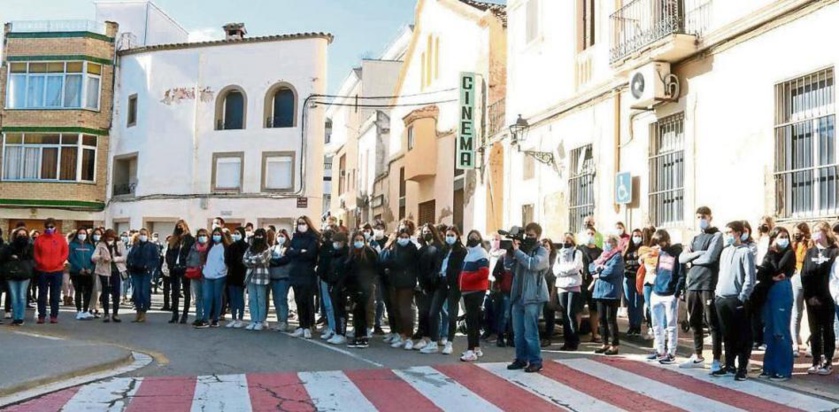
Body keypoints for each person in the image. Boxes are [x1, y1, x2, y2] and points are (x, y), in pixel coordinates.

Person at [678, 206, 724, 371]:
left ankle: (717, 359)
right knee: (694, 320)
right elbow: (682, 258)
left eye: (704, 216)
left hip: (708, 283)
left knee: (712, 321)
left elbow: (710, 257)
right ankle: (697, 355)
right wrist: (698, 254)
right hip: (693, 284)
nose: (701, 219)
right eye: (698, 217)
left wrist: (693, 258)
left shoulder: (717, 235)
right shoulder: (695, 238)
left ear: (710, 217)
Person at [714, 221, 756, 381]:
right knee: (727, 334)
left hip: (736, 299)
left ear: (738, 233)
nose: (727, 236)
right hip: (722, 298)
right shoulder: (725, 251)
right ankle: (729, 364)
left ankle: (742, 367)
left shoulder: (746, 252)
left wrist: (742, 297)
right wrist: (717, 293)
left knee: (742, 335)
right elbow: (721, 273)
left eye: (729, 232)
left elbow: (750, 277)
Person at [507, 222, 550, 373]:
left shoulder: (542, 251)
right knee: (518, 332)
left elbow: (533, 265)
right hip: (518, 296)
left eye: (531, 235)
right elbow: (508, 267)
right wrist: (510, 252)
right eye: (526, 235)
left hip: (533, 296)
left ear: (538, 236)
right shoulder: (522, 250)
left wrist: (518, 252)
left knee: (530, 331)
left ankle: (535, 361)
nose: (528, 238)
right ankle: (520, 359)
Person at [757, 227, 795, 381]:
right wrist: (771, 277)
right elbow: (762, 272)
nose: (784, 239)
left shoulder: (789, 253)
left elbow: (779, 268)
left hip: (782, 291)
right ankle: (769, 367)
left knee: (780, 331)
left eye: (786, 236)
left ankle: (783, 369)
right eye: (781, 236)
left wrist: (771, 269)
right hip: (769, 291)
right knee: (770, 331)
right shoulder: (769, 252)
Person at [422, 226, 466, 355]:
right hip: (441, 283)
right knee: (433, 312)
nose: (449, 238)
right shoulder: (443, 250)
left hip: (453, 286)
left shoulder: (462, 252)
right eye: (448, 235)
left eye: (452, 235)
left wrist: (455, 280)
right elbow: (437, 265)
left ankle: (449, 342)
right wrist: (435, 276)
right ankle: (434, 342)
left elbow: (461, 270)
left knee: (452, 315)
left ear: (457, 236)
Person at [800, 221, 837, 376]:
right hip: (811, 299)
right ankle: (816, 361)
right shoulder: (810, 252)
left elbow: (831, 276)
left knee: (827, 329)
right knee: (814, 330)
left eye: (819, 231)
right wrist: (810, 296)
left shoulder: (834, 252)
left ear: (826, 232)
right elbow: (805, 274)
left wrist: (824, 296)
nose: (816, 234)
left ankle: (828, 360)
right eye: (814, 231)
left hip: (827, 298)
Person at [648, 229, 685, 364]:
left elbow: (681, 275)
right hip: (657, 292)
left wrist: (676, 293)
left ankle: (671, 352)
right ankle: (659, 350)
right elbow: (659, 270)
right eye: (657, 243)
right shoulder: (661, 253)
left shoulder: (677, 253)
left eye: (660, 242)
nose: (659, 245)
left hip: (670, 294)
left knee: (671, 325)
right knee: (656, 324)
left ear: (667, 240)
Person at [381, 229, 420, 350]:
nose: (403, 239)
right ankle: (401, 335)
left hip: (407, 284)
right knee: (395, 309)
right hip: (394, 282)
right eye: (401, 236)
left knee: (405, 311)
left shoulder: (412, 249)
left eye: (406, 236)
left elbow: (400, 263)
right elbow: (385, 261)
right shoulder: (395, 248)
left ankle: (409, 337)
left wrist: (391, 265)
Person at [591, 235, 625, 356]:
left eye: (608, 242)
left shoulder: (617, 257)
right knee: (601, 319)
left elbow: (612, 271)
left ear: (615, 244)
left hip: (611, 292)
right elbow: (591, 266)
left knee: (611, 319)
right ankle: (604, 343)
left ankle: (614, 345)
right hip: (600, 292)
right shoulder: (603, 256)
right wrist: (598, 269)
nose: (606, 244)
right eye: (605, 242)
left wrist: (599, 273)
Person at [459, 230, 490, 362]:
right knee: (474, 320)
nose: (473, 238)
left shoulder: (481, 253)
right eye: (470, 236)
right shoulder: (469, 253)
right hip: (467, 290)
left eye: (475, 237)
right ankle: (476, 347)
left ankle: (471, 350)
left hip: (475, 291)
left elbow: (483, 273)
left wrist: (467, 279)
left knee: (471, 321)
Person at [288, 216, 321, 339]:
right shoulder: (295, 237)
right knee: (298, 300)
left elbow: (310, 254)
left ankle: (308, 326)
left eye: (303, 223)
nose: (301, 225)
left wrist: (297, 252)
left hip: (307, 273)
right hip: (296, 273)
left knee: (306, 300)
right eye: (299, 223)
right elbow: (289, 252)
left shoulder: (313, 238)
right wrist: (299, 251)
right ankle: (301, 325)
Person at [346, 232, 379, 348]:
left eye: (361, 239)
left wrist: (370, 282)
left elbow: (375, 268)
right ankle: (358, 336)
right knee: (356, 312)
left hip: (365, 286)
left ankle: (363, 337)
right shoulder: (352, 253)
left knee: (362, 311)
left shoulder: (369, 252)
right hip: (354, 287)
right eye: (356, 240)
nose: (359, 242)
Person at [33, 219, 69, 324]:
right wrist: (40, 262)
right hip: (42, 270)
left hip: (57, 270)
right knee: (42, 294)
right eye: (47, 227)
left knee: (55, 294)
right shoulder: (40, 239)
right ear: (45, 227)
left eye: (51, 226)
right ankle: (41, 316)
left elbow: (65, 252)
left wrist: (60, 261)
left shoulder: (60, 238)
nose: (49, 229)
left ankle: (54, 315)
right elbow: (36, 253)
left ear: (55, 227)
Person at [415, 224, 443, 351]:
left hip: (436, 285)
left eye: (428, 231)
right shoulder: (422, 249)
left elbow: (438, 267)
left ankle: (434, 339)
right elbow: (419, 269)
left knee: (433, 313)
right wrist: (422, 284)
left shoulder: (439, 248)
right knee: (424, 312)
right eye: (424, 231)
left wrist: (432, 280)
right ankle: (425, 337)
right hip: (424, 286)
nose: (426, 233)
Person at [553, 233, 583, 351]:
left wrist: (564, 271)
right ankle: (566, 341)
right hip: (561, 285)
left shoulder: (577, 252)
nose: (566, 242)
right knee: (564, 314)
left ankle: (574, 340)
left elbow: (576, 267)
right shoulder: (559, 254)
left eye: (569, 240)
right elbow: (555, 269)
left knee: (571, 313)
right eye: (564, 240)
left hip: (574, 285)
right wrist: (565, 271)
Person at [195, 228, 228, 328]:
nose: (216, 236)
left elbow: (225, 263)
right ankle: (205, 319)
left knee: (217, 297)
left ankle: (215, 319)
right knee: (207, 297)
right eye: (215, 234)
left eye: (218, 234)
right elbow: (207, 260)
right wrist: (205, 270)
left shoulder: (224, 247)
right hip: (208, 275)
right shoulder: (210, 247)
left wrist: (220, 271)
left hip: (219, 276)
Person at [92, 229, 127, 323]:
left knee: (116, 292)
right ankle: (106, 314)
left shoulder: (120, 244)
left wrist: (114, 259)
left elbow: (124, 257)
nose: (110, 240)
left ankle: (115, 313)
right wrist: (101, 257)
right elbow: (93, 257)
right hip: (104, 271)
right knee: (105, 292)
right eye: (108, 238)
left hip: (116, 270)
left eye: (112, 238)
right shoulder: (101, 244)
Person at [1, 228, 34, 325]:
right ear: (15, 235)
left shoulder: (30, 246)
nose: (22, 236)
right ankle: (15, 318)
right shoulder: (9, 247)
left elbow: (30, 258)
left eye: (24, 234)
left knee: (22, 296)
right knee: (14, 296)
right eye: (19, 234)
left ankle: (21, 318)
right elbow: (4, 257)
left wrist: (18, 257)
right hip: (12, 274)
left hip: (25, 274)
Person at [323, 232, 350, 344]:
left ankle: (342, 333)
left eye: (339, 242)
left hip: (342, 286)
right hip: (333, 285)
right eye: (335, 242)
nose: (336, 244)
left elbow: (346, 272)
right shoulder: (334, 253)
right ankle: (337, 332)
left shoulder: (346, 254)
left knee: (341, 311)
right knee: (335, 310)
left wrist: (342, 285)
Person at [126, 229, 158, 323]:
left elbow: (156, 260)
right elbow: (130, 257)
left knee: (144, 292)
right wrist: (131, 264)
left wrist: (148, 266)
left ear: (148, 235)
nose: (143, 236)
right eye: (141, 234)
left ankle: (143, 312)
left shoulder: (152, 246)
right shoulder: (135, 246)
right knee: (136, 292)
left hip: (146, 272)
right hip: (136, 272)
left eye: (144, 234)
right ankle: (138, 311)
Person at [166, 220, 195, 324]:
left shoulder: (190, 239)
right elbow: (168, 253)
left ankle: (185, 314)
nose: (179, 229)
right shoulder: (173, 239)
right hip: (174, 268)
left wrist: (188, 265)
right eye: (177, 227)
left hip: (185, 267)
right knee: (174, 291)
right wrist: (170, 265)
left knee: (186, 291)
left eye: (181, 227)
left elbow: (191, 254)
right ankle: (175, 314)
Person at [579, 226, 603, 343]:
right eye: (588, 233)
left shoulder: (600, 251)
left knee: (594, 310)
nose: (590, 236)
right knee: (578, 310)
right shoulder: (579, 250)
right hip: (581, 283)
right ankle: (575, 334)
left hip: (594, 284)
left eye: (592, 234)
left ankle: (595, 334)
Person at [244, 229, 271, 330]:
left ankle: (261, 320)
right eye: (257, 236)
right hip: (250, 276)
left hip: (262, 277)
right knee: (252, 299)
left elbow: (263, 259)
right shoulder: (250, 248)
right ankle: (254, 320)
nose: (258, 238)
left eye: (260, 236)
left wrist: (252, 260)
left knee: (261, 299)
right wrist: (254, 259)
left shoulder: (267, 247)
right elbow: (244, 259)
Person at [68, 229, 95, 320]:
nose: (82, 235)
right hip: (76, 272)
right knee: (78, 291)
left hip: (88, 272)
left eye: (84, 233)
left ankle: (86, 310)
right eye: (80, 233)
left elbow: (94, 259)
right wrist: (80, 268)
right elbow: (71, 258)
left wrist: (90, 269)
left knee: (88, 292)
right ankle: (79, 311)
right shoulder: (72, 245)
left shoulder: (90, 245)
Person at [316, 227, 338, 341]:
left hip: (331, 279)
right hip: (324, 278)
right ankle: (331, 327)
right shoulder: (323, 248)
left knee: (331, 305)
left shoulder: (334, 249)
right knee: (327, 305)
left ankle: (334, 328)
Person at [268, 229, 292, 331]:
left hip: (284, 277)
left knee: (282, 299)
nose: (280, 238)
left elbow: (285, 260)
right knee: (276, 300)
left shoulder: (289, 249)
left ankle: (284, 322)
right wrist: (273, 261)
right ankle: (279, 321)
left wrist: (275, 261)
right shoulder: (273, 248)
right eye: (279, 236)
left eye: (282, 236)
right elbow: (268, 259)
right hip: (273, 276)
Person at [185, 229, 210, 326]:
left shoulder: (210, 248)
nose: (202, 237)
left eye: (204, 235)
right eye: (200, 235)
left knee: (206, 297)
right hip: (195, 274)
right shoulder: (193, 247)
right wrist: (191, 266)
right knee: (198, 297)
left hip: (207, 275)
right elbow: (188, 258)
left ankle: (206, 317)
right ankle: (198, 317)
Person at [493, 245, 516, 348]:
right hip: (505, 290)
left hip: (515, 290)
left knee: (513, 315)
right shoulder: (503, 257)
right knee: (506, 314)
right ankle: (501, 337)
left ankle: (510, 338)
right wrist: (501, 280)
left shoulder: (519, 258)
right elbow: (495, 272)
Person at [623, 229, 644, 336]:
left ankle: (637, 326)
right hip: (628, 277)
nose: (637, 237)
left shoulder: (643, 248)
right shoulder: (627, 249)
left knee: (638, 303)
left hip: (639, 278)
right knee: (630, 302)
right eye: (635, 235)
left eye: (639, 236)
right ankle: (631, 326)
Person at [540, 238, 557, 348]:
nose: (545, 248)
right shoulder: (539, 258)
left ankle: (547, 337)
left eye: (546, 246)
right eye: (543, 246)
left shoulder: (554, 260)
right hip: (538, 289)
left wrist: (552, 294)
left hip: (550, 288)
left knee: (549, 315)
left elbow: (554, 278)